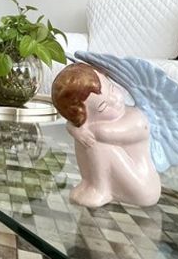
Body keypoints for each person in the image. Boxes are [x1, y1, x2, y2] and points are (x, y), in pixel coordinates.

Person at [51, 63, 161, 208]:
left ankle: (100, 189)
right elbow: (74, 125)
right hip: (126, 179)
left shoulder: (137, 119)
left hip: (143, 186)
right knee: (84, 137)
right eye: (102, 107)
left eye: (112, 89)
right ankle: (88, 183)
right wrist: (78, 129)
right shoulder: (91, 125)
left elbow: (102, 133)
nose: (114, 100)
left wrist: (81, 128)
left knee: (94, 141)